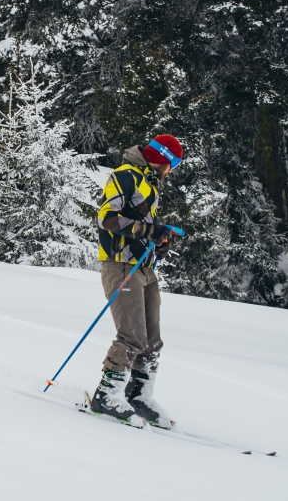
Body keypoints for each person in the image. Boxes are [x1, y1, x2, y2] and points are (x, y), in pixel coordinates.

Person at [87, 134, 183, 428]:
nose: (172, 171)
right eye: (173, 164)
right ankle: (107, 394)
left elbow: (144, 229)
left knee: (152, 340)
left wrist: (159, 239)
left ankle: (139, 394)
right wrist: (147, 231)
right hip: (120, 265)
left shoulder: (148, 182)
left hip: (143, 267)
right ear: (162, 158)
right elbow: (107, 218)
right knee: (132, 335)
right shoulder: (125, 176)